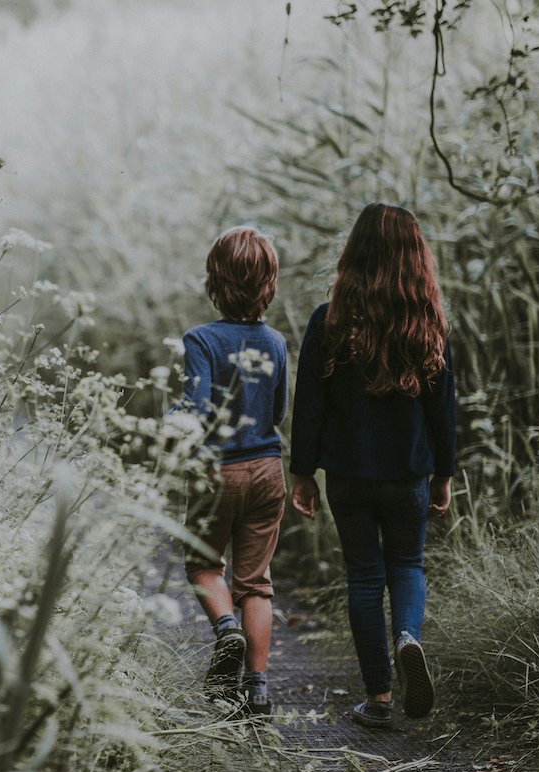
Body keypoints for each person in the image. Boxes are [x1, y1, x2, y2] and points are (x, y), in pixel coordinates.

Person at [290, 202, 456, 729]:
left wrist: (302, 472)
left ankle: (380, 698)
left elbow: (308, 403)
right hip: (408, 473)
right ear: (415, 257)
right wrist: (444, 473)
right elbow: (443, 408)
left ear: (353, 254)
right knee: (407, 565)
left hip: (349, 474)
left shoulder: (330, 321)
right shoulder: (427, 323)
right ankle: (407, 637)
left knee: (364, 575)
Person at [176, 227, 289, 716]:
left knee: (203, 563)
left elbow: (197, 410)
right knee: (256, 582)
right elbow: (278, 412)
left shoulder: (200, 340)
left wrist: (170, 422)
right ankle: (258, 690)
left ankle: (227, 631)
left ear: (214, 281)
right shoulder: (276, 342)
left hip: (217, 471)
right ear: (269, 283)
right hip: (267, 470)